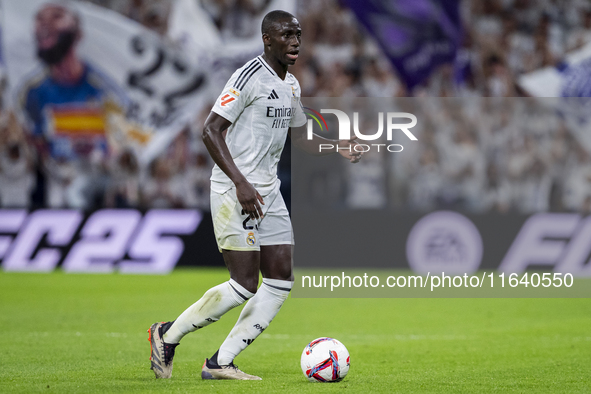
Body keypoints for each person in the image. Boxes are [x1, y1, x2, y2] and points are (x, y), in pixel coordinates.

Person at [148, 10, 361, 381]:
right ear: (267, 39)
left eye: (298, 34)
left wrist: (336, 147)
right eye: (286, 35)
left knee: (280, 279)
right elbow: (211, 131)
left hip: (268, 191)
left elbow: (300, 135)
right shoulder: (248, 77)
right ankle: (167, 335)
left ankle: (220, 362)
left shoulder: (291, 85)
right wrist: (240, 183)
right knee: (244, 284)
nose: (295, 41)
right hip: (236, 190)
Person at [18, 3, 127, 209]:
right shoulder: (32, 93)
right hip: (59, 184)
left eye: (57, 16)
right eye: (40, 18)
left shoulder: (105, 88)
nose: (45, 24)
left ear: (78, 33)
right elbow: (37, 140)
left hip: (103, 181)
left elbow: (123, 136)